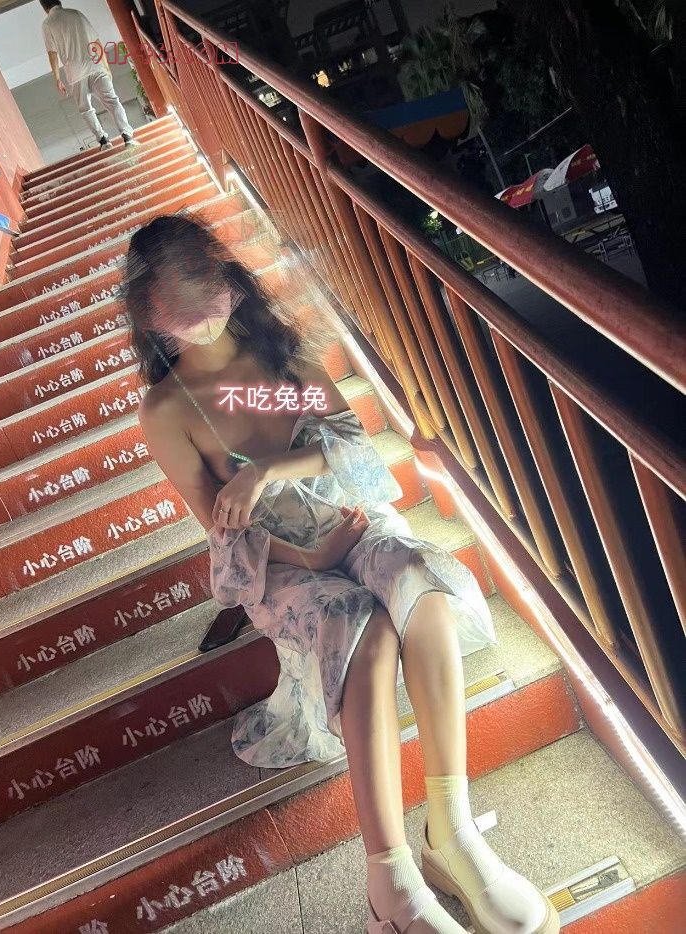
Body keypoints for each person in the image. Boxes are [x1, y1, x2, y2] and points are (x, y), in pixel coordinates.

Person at [122, 211, 560, 934]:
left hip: (348, 519)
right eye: (172, 298)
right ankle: (388, 875)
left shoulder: (274, 360)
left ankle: (451, 832)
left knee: (417, 578)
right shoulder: (171, 408)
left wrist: (266, 471)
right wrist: (310, 556)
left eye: (198, 282)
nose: (194, 310)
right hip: (278, 563)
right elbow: (223, 531)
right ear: (150, 314)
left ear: (223, 276)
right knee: (360, 625)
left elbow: (350, 449)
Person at [40, 0, 140, 150]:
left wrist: (57, 79)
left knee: (86, 109)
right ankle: (127, 136)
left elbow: (52, 54)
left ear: (44, 7)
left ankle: (104, 141)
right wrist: (106, 66)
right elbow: (96, 41)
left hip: (75, 73)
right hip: (95, 66)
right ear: (59, 1)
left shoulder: (47, 24)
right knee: (113, 102)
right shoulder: (76, 14)